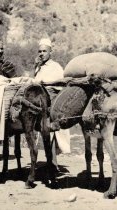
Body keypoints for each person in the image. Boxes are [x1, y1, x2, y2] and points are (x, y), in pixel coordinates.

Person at [34, 38, 71, 169]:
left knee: (52, 130)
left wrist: (48, 84)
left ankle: (53, 162)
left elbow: (61, 83)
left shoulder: (56, 67)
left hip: (51, 102)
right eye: (39, 51)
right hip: (38, 102)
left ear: (50, 52)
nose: (41, 54)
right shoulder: (38, 67)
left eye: (44, 51)